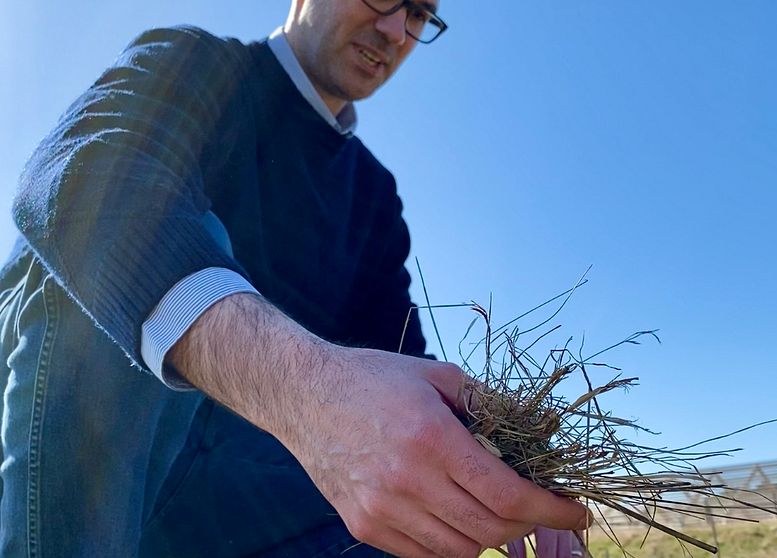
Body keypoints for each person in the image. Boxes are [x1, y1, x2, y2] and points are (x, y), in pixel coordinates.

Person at [0, 1, 589, 556]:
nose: (394, 32)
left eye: (419, 13)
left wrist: (509, 464)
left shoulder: (373, 198)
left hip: (248, 500)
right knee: (109, 233)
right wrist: (311, 393)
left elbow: (404, 362)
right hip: (80, 473)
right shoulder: (197, 64)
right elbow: (72, 178)